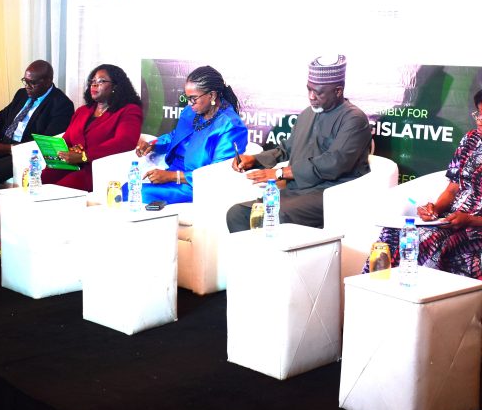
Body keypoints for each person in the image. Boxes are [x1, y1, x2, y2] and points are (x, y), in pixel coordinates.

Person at [226, 54, 372, 232]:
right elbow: (286, 149)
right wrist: (254, 160)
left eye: (318, 92)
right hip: (298, 190)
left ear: (338, 91)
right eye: (309, 90)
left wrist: (280, 173)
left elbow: (334, 162)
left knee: (275, 216)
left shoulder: (354, 119)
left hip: (331, 193)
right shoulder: (306, 114)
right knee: (237, 214)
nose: (311, 96)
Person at [363, 90, 482, 280]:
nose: (479, 121)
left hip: (475, 227)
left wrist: (469, 220)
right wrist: (435, 208)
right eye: (478, 114)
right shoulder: (470, 140)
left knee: (426, 239)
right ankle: (375, 290)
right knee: (392, 233)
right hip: (452, 219)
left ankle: (414, 293)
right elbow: (452, 189)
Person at [131, 65, 248, 204]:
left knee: (138, 193)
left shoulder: (231, 125)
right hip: (172, 174)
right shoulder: (191, 111)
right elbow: (175, 136)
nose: (189, 103)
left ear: (212, 95)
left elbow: (218, 173)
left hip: (195, 186)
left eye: (193, 98)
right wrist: (153, 145)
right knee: (129, 188)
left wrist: (172, 176)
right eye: (187, 98)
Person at [0, 60, 74, 183]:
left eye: (32, 83)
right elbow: (1, 117)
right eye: (25, 81)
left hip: (25, 154)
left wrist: (8, 148)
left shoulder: (61, 104)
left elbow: (47, 143)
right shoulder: (22, 94)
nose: (27, 86)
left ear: (48, 82)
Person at [41, 64, 142, 192]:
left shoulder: (129, 111)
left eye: (101, 81)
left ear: (115, 86)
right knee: (37, 182)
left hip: (96, 170)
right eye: (92, 81)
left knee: (58, 191)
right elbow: (67, 139)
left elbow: (124, 142)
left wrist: (84, 156)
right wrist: (64, 150)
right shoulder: (82, 111)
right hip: (70, 165)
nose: (94, 85)